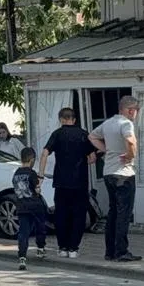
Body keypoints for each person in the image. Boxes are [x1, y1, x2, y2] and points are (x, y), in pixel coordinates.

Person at [89, 95, 141, 262]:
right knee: (123, 213)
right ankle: (121, 251)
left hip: (108, 173)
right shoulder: (126, 124)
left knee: (113, 212)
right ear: (130, 110)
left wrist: (106, 150)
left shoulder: (108, 123)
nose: (136, 114)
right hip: (124, 174)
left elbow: (92, 136)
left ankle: (109, 251)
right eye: (136, 110)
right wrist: (130, 155)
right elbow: (131, 141)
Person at [39, 107, 95, 258]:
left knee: (61, 214)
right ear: (74, 119)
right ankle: (73, 248)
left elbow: (44, 153)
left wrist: (41, 175)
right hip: (80, 182)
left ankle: (62, 247)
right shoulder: (83, 134)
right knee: (78, 214)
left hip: (61, 182)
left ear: (61, 119)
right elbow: (92, 158)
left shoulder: (57, 134)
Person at [12, 147, 48, 270]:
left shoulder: (16, 173)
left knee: (23, 232)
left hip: (22, 206)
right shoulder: (31, 173)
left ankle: (22, 257)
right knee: (40, 227)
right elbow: (37, 189)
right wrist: (39, 183)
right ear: (32, 159)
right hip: (35, 206)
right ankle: (40, 249)